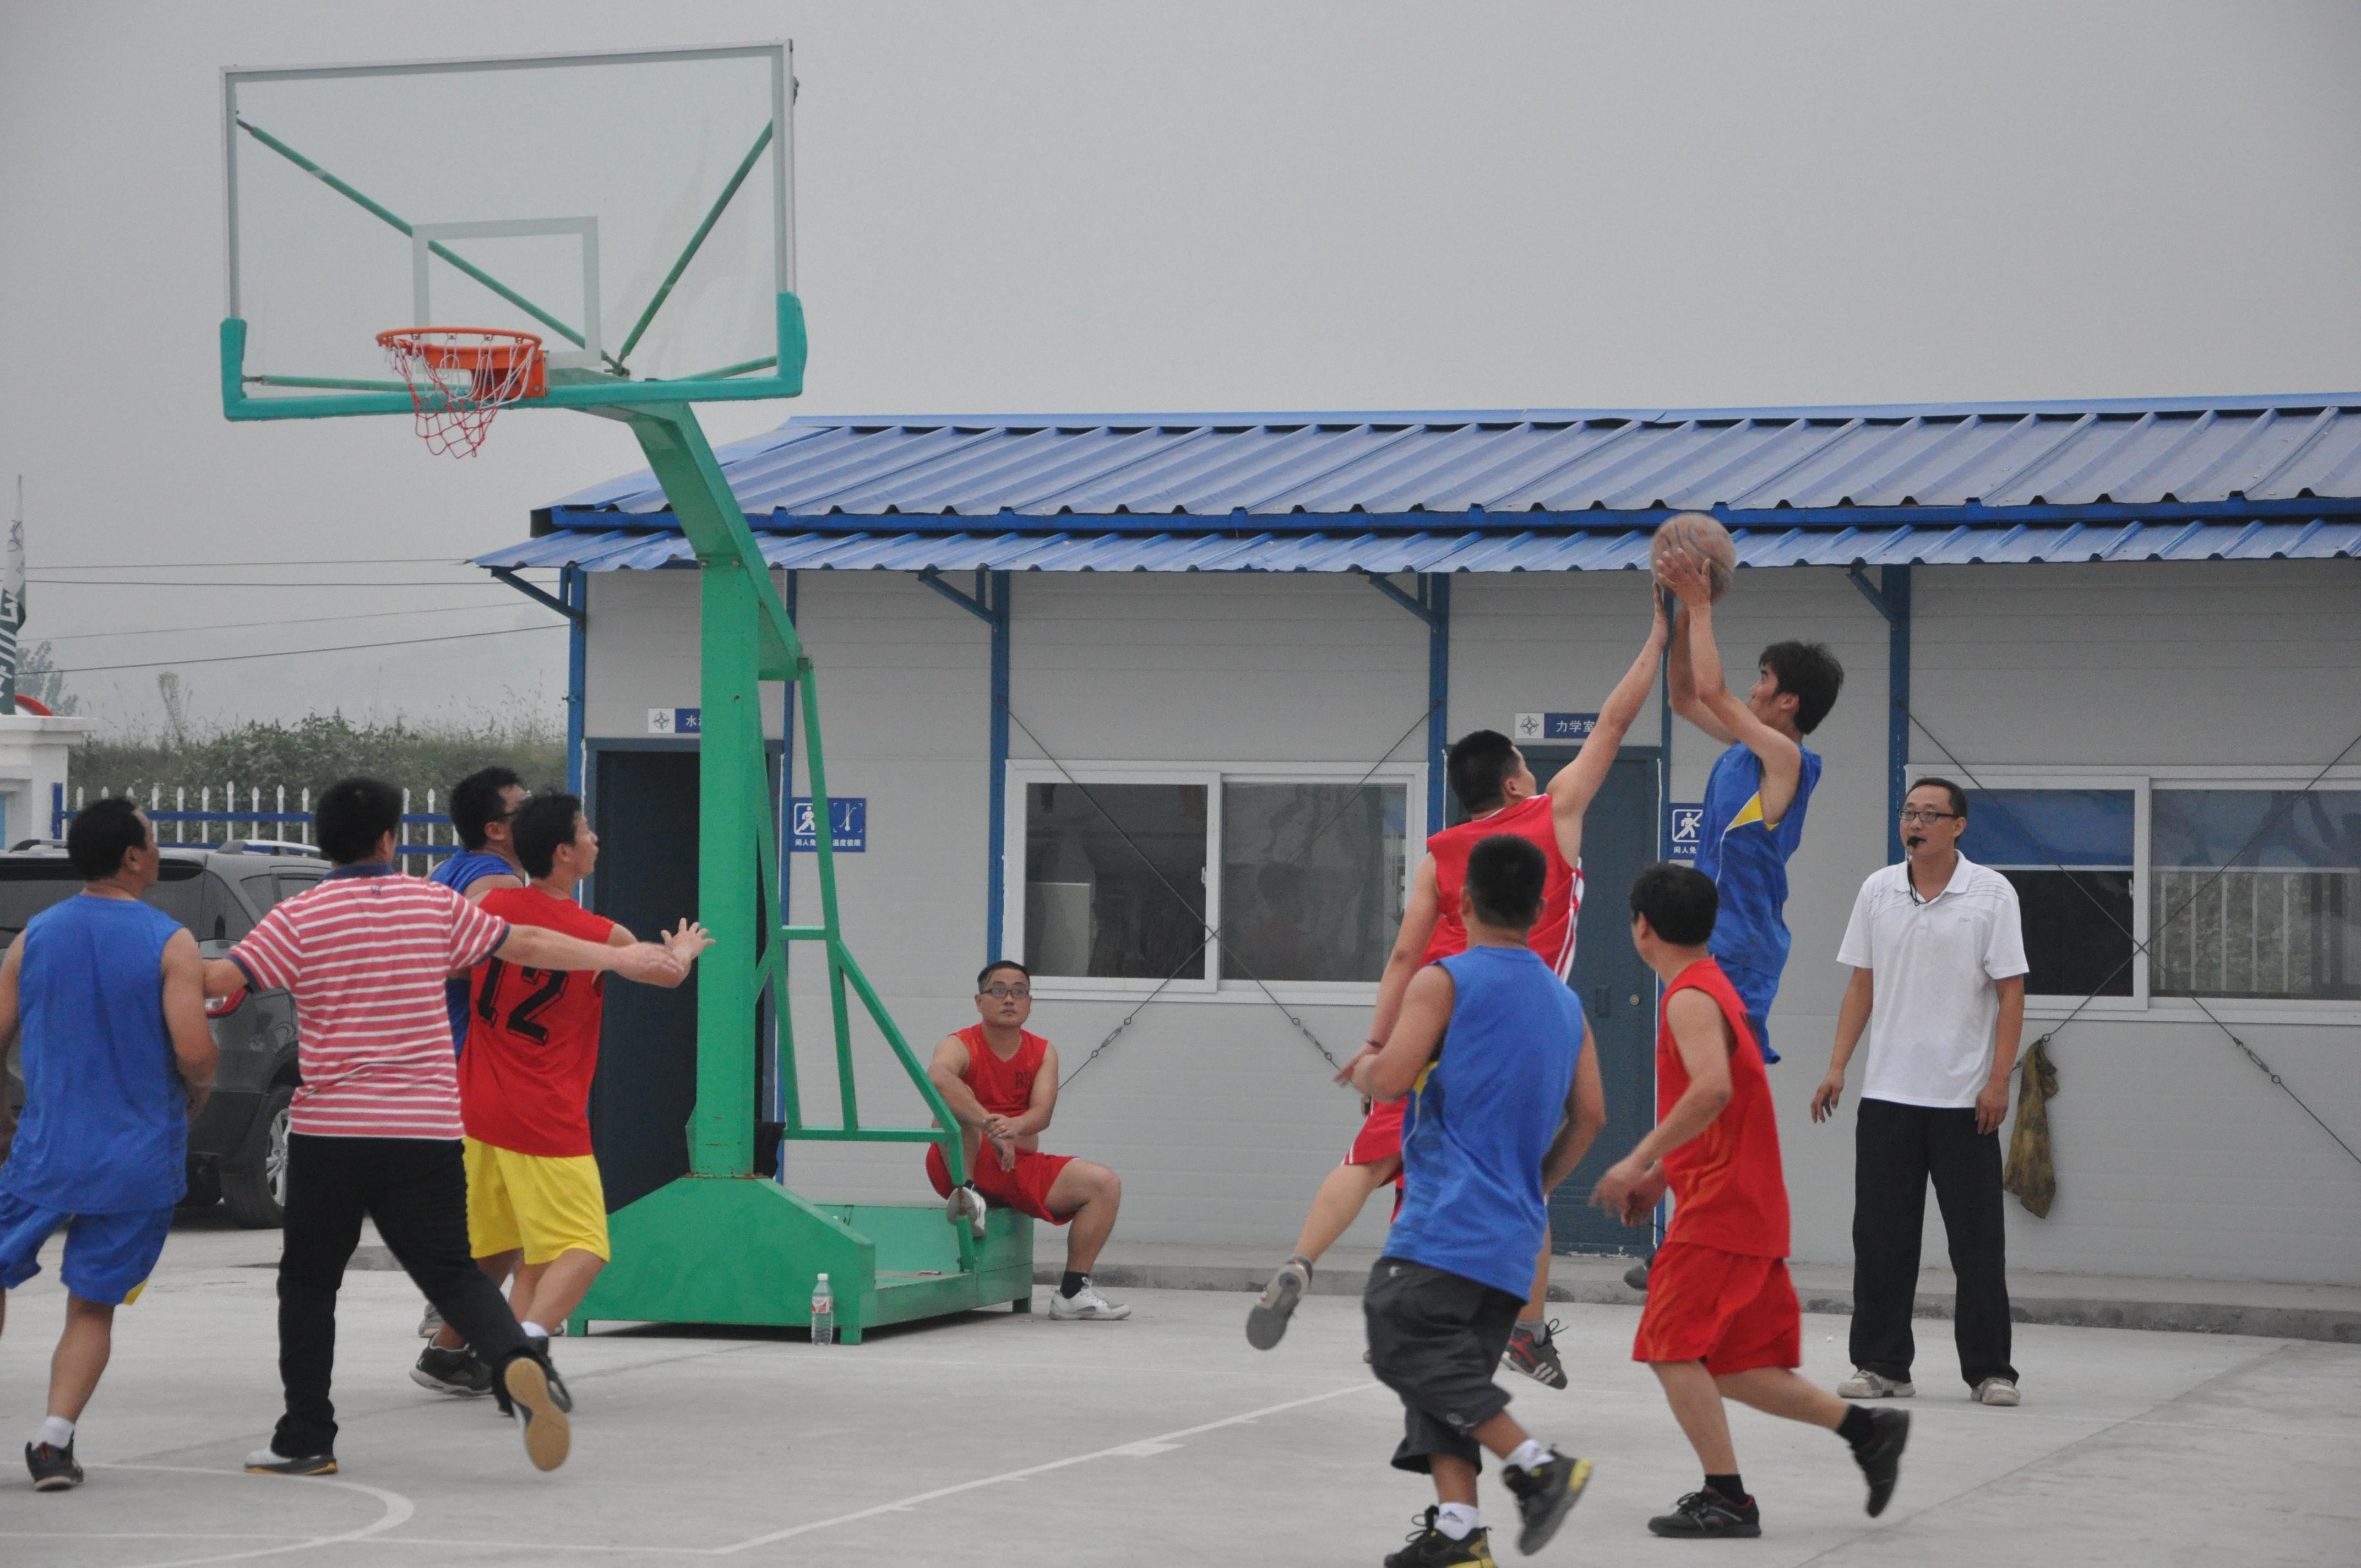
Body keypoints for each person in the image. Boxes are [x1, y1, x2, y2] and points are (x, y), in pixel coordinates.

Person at [204, 776, 688, 1477]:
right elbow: (526, 944)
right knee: (457, 1273)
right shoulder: (432, 904)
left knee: (310, 1284)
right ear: (388, 839)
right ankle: (518, 1358)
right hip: (425, 1127)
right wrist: (617, 956)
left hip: (332, 1130)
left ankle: (306, 1435)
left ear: (325, 841)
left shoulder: (300, 914)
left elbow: (225, 982)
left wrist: (166, 963)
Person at [1249, 596, 1669, 1387]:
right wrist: (1656, 637)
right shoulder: (1552, 815)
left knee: (1380, 1157)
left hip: (1435, 1011)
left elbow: (1404, 955)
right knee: (1518, 1178)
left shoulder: (1441, 853)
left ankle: (1304, 1261)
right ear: (1515, 782)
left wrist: (1378, 1044)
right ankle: (1527, 1333)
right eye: (1527, 765)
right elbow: (1613, 725)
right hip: (1514, 1020)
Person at [1593, 862, 1907, 1538]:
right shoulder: (1712, 986)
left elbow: (1711, 1090)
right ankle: (1869, 1432)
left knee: (1670, 1346)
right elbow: (1725, 1108)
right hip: (1741, 1200)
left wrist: (1636, 1159)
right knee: (1732, 1366)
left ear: (1642, 927)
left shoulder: (1688, 997)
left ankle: (1727, 1498)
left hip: (1723, 1209)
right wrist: (1664, 1175)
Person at [1353, 834, 1603, 1567]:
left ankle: (1537, 1466)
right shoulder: (1565, 1002)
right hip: (1513, 1238)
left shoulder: (1446, 981)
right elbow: (1591, 1116)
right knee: (1449, 1377)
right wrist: (1539, 1184)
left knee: (1398, 1331)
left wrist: (1366, 1065)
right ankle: (1460, 1530)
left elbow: (1390, 1081)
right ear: (1541, 908)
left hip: (1448, 1221)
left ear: (1461, 903)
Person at [413, 794, 709, 1396]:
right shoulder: (602, 934)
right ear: (564, 853)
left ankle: (446, 1354)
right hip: (544, 1115)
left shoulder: (490, 909)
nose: (596, 839)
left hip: (479, 1107)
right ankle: (526, 1349)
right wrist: (684, 949)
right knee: (584, 1245)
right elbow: (667, 974)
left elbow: (447, 963)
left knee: (504, 1248)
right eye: (587, 831)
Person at [1626, 545, 1843, 1292]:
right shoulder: (1744, 752)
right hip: (1708, 944)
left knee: (1718, 1096)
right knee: (1704, 1091)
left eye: (1765, 680)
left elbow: (1714, 690)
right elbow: (1688, 696)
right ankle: (1689, 1233)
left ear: (1788, 703)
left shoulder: (1787, 761)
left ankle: (1710, 1241)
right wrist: (1676, 619)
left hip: (1742, 949)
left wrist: (1704, 600)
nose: (1751, 689)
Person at [0, 800, 216, 1491]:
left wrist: (4, 1116)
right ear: (132, 857)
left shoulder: (34, 936)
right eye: (153, 839)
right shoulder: (171, 941)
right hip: (136, 1158)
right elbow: (194, 1051)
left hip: (44, 1150)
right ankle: (52, 1442)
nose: (157, 849)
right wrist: (198, 1092)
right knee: (91, 1304)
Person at [1814, 777, 2027, 1407]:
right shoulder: (1877, 890)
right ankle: (1882, 1365)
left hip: (1965, 1101)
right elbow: (1861, 985)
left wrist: (1997, 1080)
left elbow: (2011, 992)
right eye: (1909, 812)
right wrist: (1837, 1066)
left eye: (1930, 815)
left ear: (1958, 825)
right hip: (1888, 1096)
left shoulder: (1991, 893)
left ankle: (1990, 1371)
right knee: (1881, 1240)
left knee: (1977, 1243)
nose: (1916, 824)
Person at [927, 960, 1130, 1320]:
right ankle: (968, 1197)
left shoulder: (1043, 1051)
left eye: (1019, 992)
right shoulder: (959, 1044)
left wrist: (1014, 1127)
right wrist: (990, 1126)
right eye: (998, 990)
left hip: (1013, 1162)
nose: (1009, 999)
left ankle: (1072, 1293)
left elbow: (1042, 1114)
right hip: (961, 1162)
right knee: (957, 1111)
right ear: (979, 1001)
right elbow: (938, 1077)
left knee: (1105, 1184)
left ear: (1030, 1003)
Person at [416, 767, 531, 1344]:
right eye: (522, 808)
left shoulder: (447, 871)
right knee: (501, 1195)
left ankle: (457, 1308)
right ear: (496, 829)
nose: (534, 814)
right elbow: (461, 958)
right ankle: (455, 1311)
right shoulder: (497, 882)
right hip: (472, 1056)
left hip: (442, 1053)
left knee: (476, 1194)